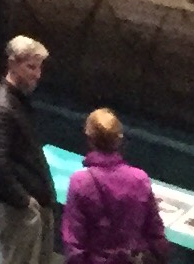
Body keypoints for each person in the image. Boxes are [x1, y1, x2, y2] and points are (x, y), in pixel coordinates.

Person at [0, 36, 60, 264]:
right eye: (31, 67)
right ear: (12, 64)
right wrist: (23, 201)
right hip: (20, 210)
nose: (37, 74)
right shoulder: (0, 107)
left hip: (34, 206)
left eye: (39, 68)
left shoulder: (17, 101)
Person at [61, 108, 166, 263]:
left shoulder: (80, 182)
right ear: (119, 139)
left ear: (89, 138)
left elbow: (74, 242)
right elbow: (156, 233)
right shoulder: (139, 179)